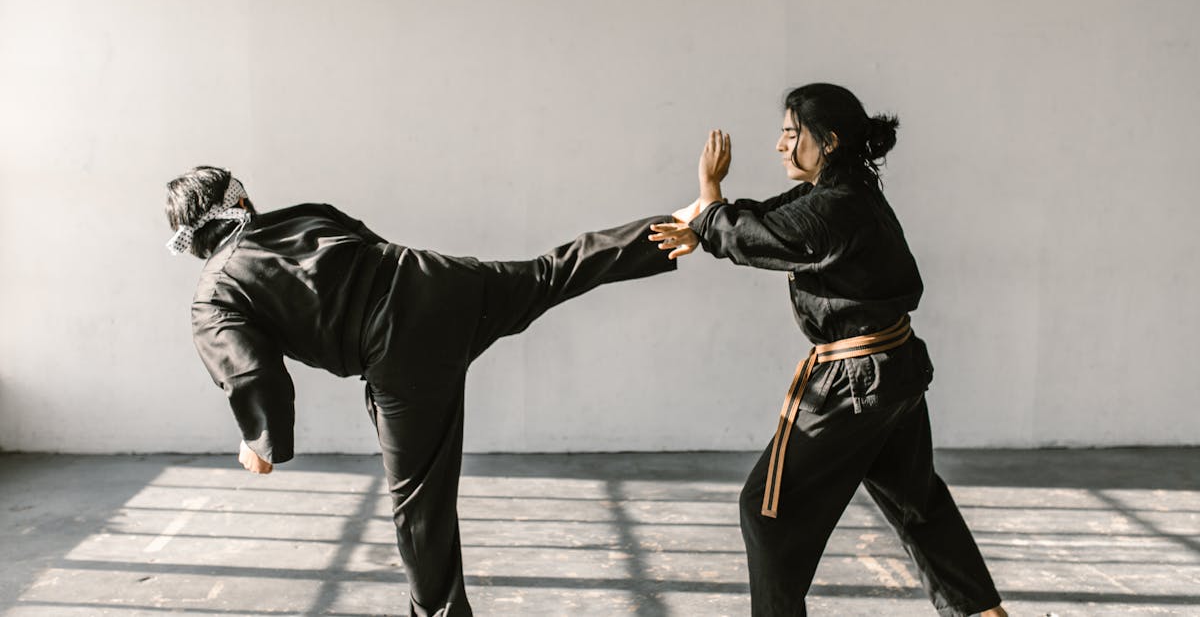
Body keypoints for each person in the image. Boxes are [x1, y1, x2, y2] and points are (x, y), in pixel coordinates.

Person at [164, 166, 676, 616]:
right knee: (552, 272)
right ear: (243, 202)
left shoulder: (214, 296)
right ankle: (686, 225)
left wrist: (261, 443)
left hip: (402, 355)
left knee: (419, 503)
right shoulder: (302, 214)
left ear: (190, 243)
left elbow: (254, 375)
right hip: (440, 281)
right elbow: (367, 245)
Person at [649, 84, 1007, 616]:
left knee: (766, 512)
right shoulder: (843, 191)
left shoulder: (838, 205)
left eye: (792, 133)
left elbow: (762, 238)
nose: (779, 145)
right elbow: (769, 219)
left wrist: (710, 192)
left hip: (855, 380)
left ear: (830, 140)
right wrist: (706, 224)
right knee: (916, 503)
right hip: (893, 370)